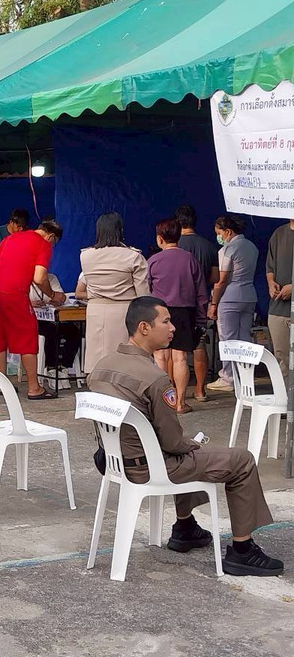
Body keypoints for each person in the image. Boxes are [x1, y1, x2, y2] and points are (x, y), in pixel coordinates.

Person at [88, 297, 283, 576]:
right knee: (240, 459)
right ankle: (242, 550)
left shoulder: (102, 366)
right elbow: (172, 442)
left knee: (192, 451)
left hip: (115, 460)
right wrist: (191, 444)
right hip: (150, 467)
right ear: (144, 327)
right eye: (166, 321)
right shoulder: (155, 378)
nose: (173, 328)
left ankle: (185, 527)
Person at [0, 218, 65, 400]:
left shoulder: (11, 238)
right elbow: (39, 277)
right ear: (51, 236)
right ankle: (34, 388)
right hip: (14, 293)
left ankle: (2, 383)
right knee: (27, 336)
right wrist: (53, 295)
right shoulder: (43, 244)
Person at [147, 218, 208, 414]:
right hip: (184, 312)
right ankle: (180, 403)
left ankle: (163, 403)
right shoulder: (190, 259)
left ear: (160, 238)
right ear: (179, 236)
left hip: (159, 312)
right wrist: (201, 320)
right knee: (180, 357)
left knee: (160, 356)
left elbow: (147, 290)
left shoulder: (153, 261)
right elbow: (201, 293)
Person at [77, 212, 149, 373]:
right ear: (120, 230)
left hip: (95, 310)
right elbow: (143, 295)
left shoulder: (85, 256)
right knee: (123, 358)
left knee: (97, 357)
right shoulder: (133, 256)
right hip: (124, 311)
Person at [208, 215, 259, 391]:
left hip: (229, 297)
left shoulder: (227, 250)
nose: (218, 236)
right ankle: (245, 377)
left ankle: (228, 378)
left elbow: (221, 280)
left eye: (219, 233)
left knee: (227, 339)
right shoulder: (252, 247)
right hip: (249, 295)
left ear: (228, 231)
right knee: (244, 338)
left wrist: (213, 303)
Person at [175, 205, 219, 402]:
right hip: (200, 302)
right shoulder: (209, 246)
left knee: (176, 350)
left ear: (178, 222)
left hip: (177, 303)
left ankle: (176, 392)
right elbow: (215, 277)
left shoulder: (174, 246)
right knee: (199, 345)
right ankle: (200, 390)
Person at [30, 273, 82, 372]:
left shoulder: (51, 278)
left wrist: (59, 299)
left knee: (74, 331)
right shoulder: (23, 279)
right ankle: (51, 367)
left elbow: (61, 297)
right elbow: (16, 300)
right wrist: (30, 303)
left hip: (51, 317)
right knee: (51, 331)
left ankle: (65, 366)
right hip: (31, 320)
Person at [265, 219, 294, 385]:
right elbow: (270, 267)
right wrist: (271, 283)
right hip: (278, 309)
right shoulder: (278, 234)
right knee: (281, 358)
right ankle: (286, 398)